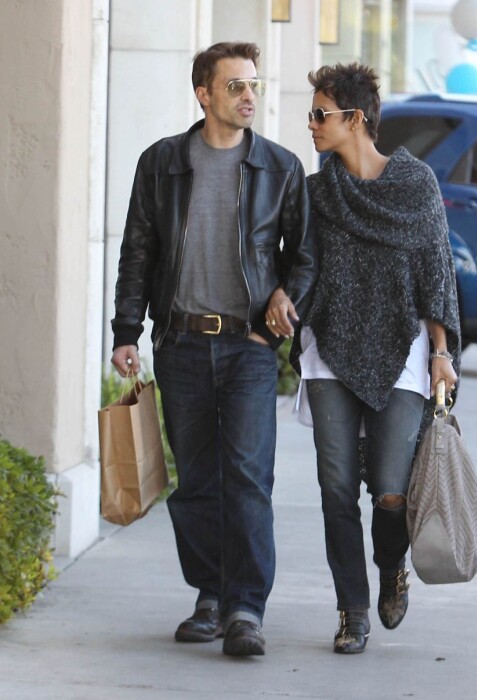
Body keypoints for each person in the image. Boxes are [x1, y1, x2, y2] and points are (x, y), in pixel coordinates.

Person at [110, 42, 316, 658]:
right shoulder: (163, 162)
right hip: (180, 344)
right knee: (197, 481)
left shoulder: (279, 167)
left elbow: (305, 255)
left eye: (253, 84)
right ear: (204, 94)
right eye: (234, 86)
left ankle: (246, 608)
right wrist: (126, 330)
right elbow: (138, 250)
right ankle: (209, 596)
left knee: (249, 479)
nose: (248, 95)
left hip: (249, 348)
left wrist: (282, 300)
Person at [292, 63, 460, 654]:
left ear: (354, 119)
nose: (311, 124)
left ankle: (392, 567)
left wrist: (442, 352)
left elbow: (435, 273)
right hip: (329, 351)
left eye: (320, 114)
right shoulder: (316, 193)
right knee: (336, 490)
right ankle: (352, 612)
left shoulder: (415, 186)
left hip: (404, 353)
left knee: (390, 490)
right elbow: (302, 269)